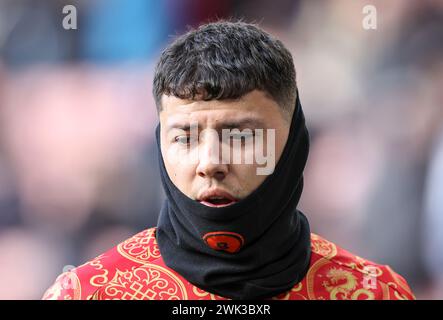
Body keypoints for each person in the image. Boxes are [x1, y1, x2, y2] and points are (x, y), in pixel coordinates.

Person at [42, 20, 414, 300]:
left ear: (293, 143)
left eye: (242, 136)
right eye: (184, 137)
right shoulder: (89, 292)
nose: (210, 162)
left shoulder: (373, 292)